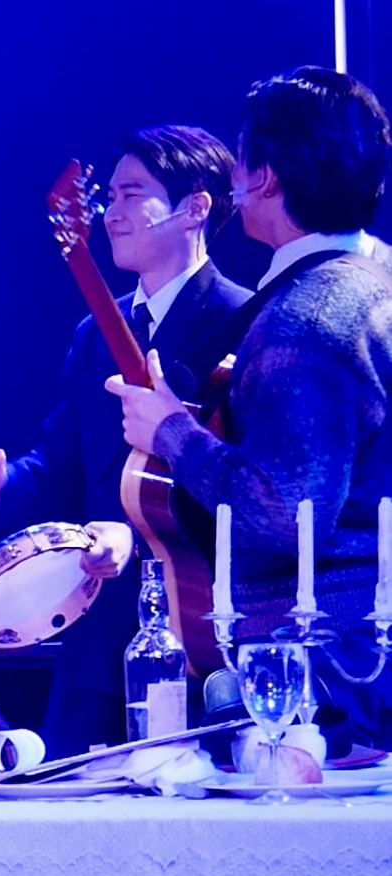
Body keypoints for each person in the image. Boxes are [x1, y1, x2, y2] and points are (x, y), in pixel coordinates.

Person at [108, 67, 392, 746]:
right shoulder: (371, 285)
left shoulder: (307, 317)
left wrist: (172, 432)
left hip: (323, 677)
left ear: (262, 178)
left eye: (240, 160)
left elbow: (284, 513)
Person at [0, 125, 251, 756]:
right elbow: (60, 466)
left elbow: (249, 487)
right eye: (108, 196)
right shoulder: (94, 334)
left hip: (201, 636)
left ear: (195, 207)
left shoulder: (243, 321)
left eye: (132, 194)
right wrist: (2, 481)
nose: (110, 213)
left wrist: (139, 538)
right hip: (97, 636)